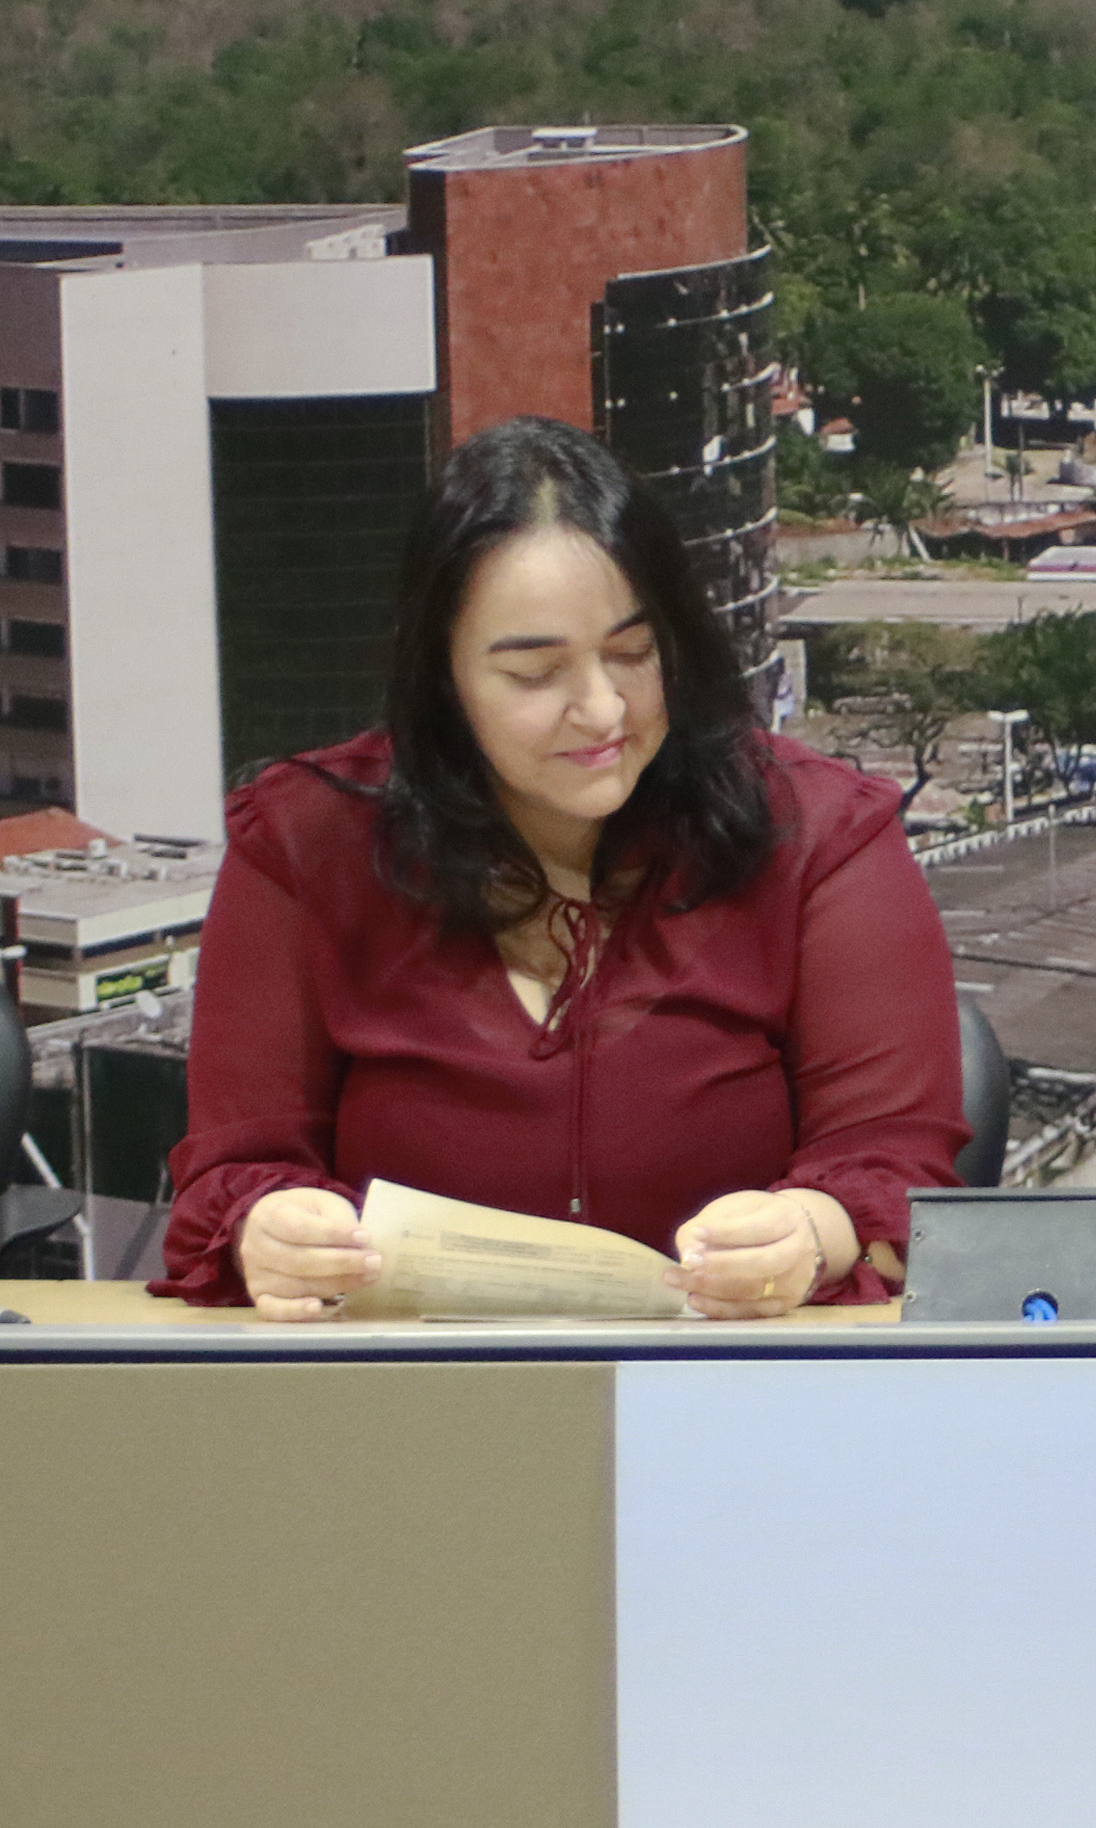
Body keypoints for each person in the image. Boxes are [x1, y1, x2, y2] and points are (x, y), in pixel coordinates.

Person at [158, 418, 972, 1319]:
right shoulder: (305, 842)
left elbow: (899, 1175)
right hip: (409, 1386)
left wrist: (812, 1232)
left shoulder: (820, 834)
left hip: (732, 1380)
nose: (602, 709)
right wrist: (270, 1228)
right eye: (536, 674)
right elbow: (234, 1171)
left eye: (632, 654)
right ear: (443, 678)